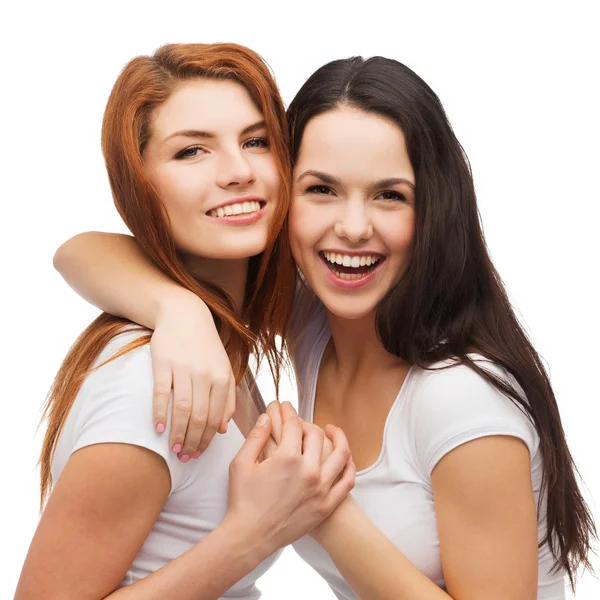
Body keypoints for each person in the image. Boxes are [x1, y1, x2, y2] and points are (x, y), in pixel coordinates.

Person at [52, 55, 597, 599]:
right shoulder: (323, 324)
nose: (353, 228)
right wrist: (180, 310)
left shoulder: (461, 398)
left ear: (436, 206)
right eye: (321, 189)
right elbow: (77, 252)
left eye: (390, 195)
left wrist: (320, 510)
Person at [15, 43, 356, 600]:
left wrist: (182, 309)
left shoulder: (214, 342)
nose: (239, 171)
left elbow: (80, 251)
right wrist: (254, 533)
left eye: (256, 141)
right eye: (192, 152)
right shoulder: (150, 383)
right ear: (139, 183)